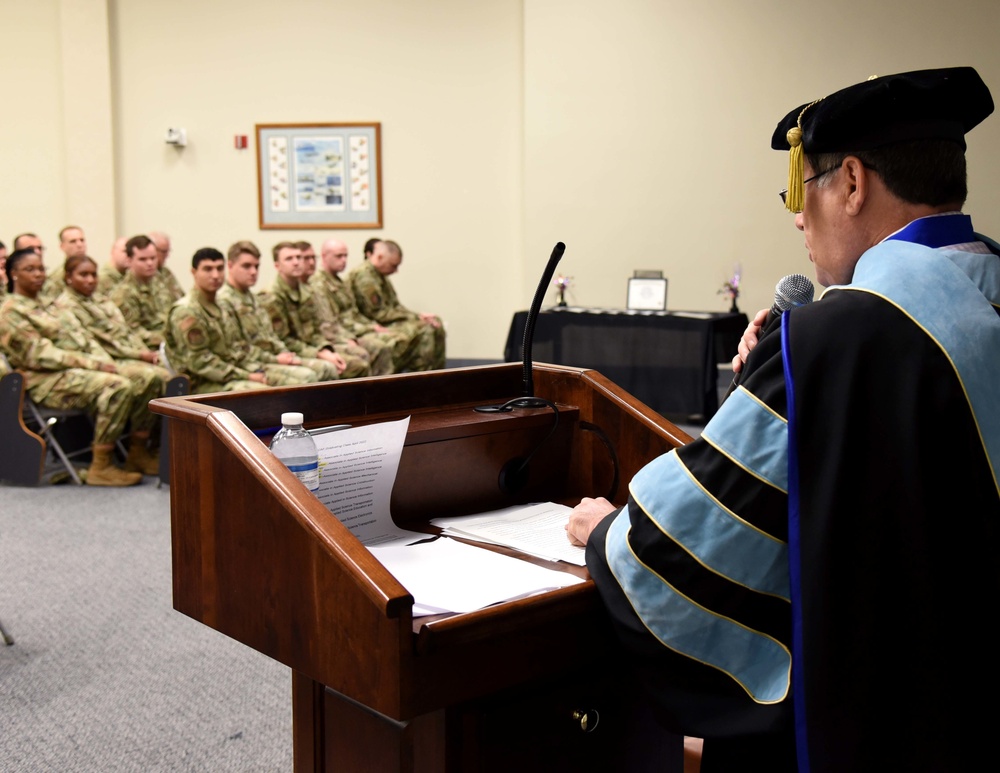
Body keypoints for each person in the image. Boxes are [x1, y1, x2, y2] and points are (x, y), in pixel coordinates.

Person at [565, 67, 1000, 772]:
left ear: (852, 183)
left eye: (803, 189)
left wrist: (610, 532)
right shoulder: (974, 300)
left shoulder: (837, 340)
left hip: (883, 722)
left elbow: (683, 543)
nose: (799, 217)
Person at [0, 248, 155, 485]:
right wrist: (95, 365)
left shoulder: (50, 304)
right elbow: (40, 356)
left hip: (77, 370)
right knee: (117, 387)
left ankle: (137, 452)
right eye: (29, 269)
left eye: (41, 268)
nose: (38, 274)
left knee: (148, 378)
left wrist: (106, 362)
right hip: (43, 380)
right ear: (14, 274)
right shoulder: (10, 312)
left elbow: (84, 338)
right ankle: (101, 465)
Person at [166, 247, 316, 393]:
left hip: (237, 371)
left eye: (219, 268)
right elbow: (200, 362)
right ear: (194, 272)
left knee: (303, 380)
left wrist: (262, 365)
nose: (215, 275)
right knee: (265, 393)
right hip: (205, 383)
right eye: (207, 269)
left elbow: (241, 346)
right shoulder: (186, 311)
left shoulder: (223, 306)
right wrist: (248, 375)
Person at [217, 240, 339, 382]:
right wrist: (276, 358)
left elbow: (271, 336)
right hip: (252, 364)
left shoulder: (251, 298)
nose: (253, 272)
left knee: (328, 368)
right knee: (308, 377)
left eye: (256, 266)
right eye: (246, 266)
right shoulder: (224, 301)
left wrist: (286, 354)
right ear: (230, 266)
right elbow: (239, 348)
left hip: (273, 357)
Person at [260, 241, 359, 378]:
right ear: (277, 266)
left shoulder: (306, 291)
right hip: (290, 353)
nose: (296, 262)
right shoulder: (272, 296)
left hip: (310, 347)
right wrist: (319, 354)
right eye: (289, 259)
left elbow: (315, 331)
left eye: (299, 258)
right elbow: (283, 340)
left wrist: (325, 349)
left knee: (357, 361)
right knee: (329, 368)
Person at [349, 239, 445, 370]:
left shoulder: (380, 276)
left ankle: (438, 375)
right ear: (380, 257)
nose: (396, 271)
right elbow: (379, 314)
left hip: (386, 321)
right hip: (371, 324)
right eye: (393, 265)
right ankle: (420, 377)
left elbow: (395, 306)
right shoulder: (365, 276)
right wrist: (414, 318)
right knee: (424, 330)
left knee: (434, 322)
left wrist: (418, 316)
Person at [310, 238, 395, 375]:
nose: (344, 260)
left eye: (345, 256)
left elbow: (354, 314)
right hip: (338, 336)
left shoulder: (339, 282)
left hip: (351, 331)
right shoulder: (318, 284)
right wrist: (348, 339)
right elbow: (331, 323)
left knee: (383, 346)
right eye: (339, 256)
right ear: (324, 256)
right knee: (371, 350)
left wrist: (372, 326)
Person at [111, 235, 171, 347]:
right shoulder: (124, 293)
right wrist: (168, 339)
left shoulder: (159, 282)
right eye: (142, 259)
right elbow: (133, 332)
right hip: (151, 347)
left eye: (153, 258)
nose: (149, 263)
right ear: (129, 261)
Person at [39, 225, 89, 303]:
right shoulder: (58, 276)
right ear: (62, 246)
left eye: (82, 240)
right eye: (73, 241)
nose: (79, 245)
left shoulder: (91, 270)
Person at [149, 230, 184, 302]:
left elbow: (181, 296)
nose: (167, 255)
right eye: (164, 251)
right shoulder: (145, 275)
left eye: (168, 251)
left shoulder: (166, 272)